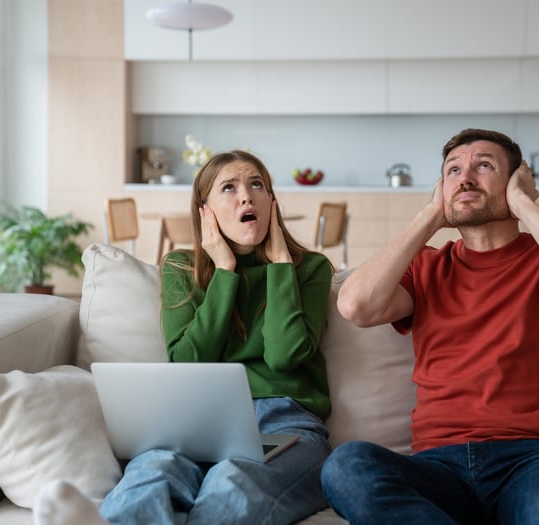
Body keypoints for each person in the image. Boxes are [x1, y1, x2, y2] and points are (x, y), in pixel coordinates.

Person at [320, 128, 539, 525]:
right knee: (346, 466)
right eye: (453, 171)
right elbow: (355, 305)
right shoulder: (427, 266)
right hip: (440, 465)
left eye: (484, 166)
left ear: (516, 181)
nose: (465, 178)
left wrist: (523, 203)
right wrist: (429, 216)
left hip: (538, 459)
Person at [34, 150, 334, 525]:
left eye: (257, 184)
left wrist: (280, 266)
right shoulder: (180, 267)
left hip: (286, 422)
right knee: (154, 470)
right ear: (205, 211)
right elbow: (189, 362)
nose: (247, 196)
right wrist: (224, 271)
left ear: (271, 202)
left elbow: (283, 356)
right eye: (229, 187)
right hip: (197, 419)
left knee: (234, 481)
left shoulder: (310, 269)